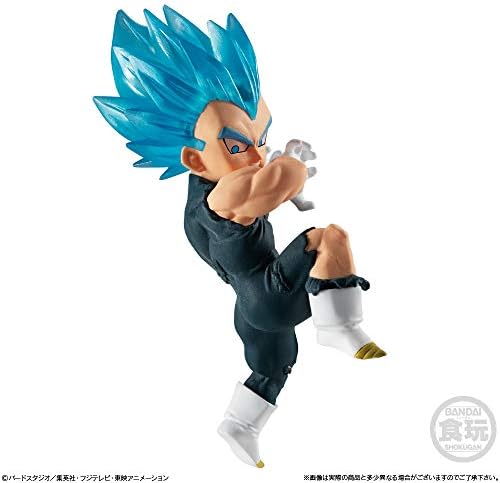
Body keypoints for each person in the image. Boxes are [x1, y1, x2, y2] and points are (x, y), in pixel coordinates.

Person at [94, 5, 386, 468]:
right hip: (266, 294)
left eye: (261, 136)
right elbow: (278, 180)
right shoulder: (219, 198)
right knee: (328, 238)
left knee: (274, 366)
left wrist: (281, 168)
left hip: (250, 307)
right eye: (236, 145)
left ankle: (239, 426)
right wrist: (289, 164)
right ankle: (338, 326)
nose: (256, 154)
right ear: (194, 159)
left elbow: (269, 183)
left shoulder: (214, 190)